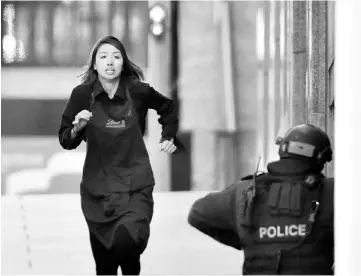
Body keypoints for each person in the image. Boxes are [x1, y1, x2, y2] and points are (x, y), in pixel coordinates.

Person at [58, 35, 183, 275]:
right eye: (103, 57)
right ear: (94, 64)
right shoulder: (82, 95)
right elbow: (65, 140)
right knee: (104, 267)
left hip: (135, 188)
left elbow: (167, 108)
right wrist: (77, 127)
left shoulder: (138, 91)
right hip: (98, 194)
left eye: (116, 57)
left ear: (123, 63)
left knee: (126, 245)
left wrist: (168, 135)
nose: (110, 62)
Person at [188, 124, 334, 275]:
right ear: (321, 158)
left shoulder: (244, 192)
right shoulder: (332, 192)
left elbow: (197, 214)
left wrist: (246, 238)